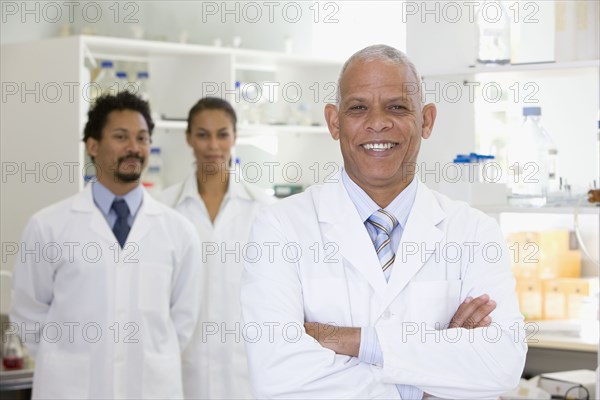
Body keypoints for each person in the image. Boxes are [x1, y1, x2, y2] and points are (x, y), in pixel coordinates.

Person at [240, 44, 527, 399]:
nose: (378, 122)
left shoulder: (474, 232)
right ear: (334, 121)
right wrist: (426, 384)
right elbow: (277, 374)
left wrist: (354, 340)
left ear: (427, 120)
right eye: (359, 108)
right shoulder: (280, 228)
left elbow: (501, 365)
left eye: (397, 107)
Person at [10, 92, 202, 399]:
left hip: (150, 387)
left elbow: (183, 320)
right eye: (121, 136)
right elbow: (28, 312)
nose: (134, 148)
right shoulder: (48, 226)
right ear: (93, 145)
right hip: (71, 388)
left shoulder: (179, 231)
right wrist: (65, 360)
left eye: (142, 138)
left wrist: (147, 354)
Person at [160, 97, 275, 399]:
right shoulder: (162, 210)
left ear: (235, 138)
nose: (213, 145)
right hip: (181, 369)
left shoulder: (264, 210)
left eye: (222, 134)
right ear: (188, 139)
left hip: (245, 374)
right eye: (202, 134)